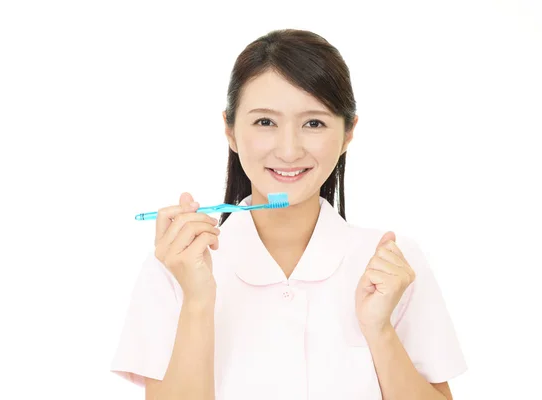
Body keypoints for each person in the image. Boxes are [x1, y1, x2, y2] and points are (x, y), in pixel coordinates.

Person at [110, 29, 467, 400]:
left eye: (314, 123)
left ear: (348, 133)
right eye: (265, 122)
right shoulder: (176, 265)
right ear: (230, 130)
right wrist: (198, 302)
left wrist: (380, 331)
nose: (289, 150)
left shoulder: (391, 262)